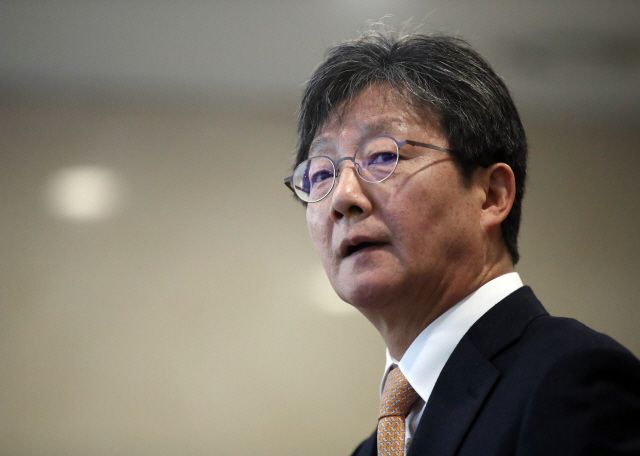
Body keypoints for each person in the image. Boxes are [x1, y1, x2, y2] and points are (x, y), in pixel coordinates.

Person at [284, 32, 640, 455]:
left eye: (382, 156)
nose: (343, 197)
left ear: (491, 195)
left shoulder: (572, 380)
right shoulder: (374, 449)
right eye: (321, 174)